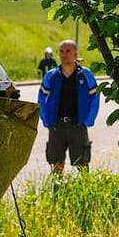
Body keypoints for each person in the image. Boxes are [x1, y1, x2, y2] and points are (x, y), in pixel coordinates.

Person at [37, 40, 99, 175]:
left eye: (68, 51)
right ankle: (57, 191)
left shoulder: (85, 74)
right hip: (56, 125)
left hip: (77, 124)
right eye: (61, 51)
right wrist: (46, 119)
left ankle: (86, 190)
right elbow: (42, 98)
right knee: (56, 163)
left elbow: (94, 98)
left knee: (82, 163)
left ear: (76, 54)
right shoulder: (52, 76)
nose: (64, 55)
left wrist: (88, 120)